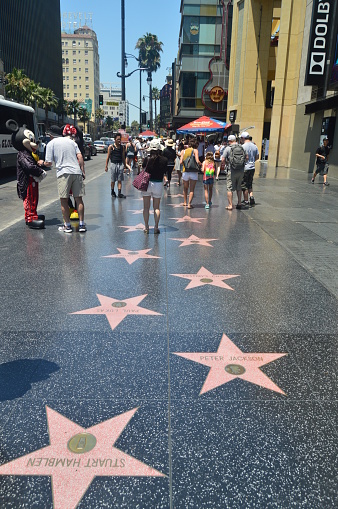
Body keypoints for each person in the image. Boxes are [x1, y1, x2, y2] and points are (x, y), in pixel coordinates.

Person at [45, 124, 86, 233]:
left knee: (64, 200)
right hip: (76, 172)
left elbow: (48, 163)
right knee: (79, 199)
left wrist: (41, 163)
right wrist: (82, 171)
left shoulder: (51, 144)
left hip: (63, 173)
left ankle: (67, 226)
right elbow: (80, 156)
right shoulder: (72, 142)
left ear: (50, 135)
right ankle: (81, 225)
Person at [141, 139, 168, 234]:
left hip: (147, 183)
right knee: (156, 207)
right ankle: (156, 227)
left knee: (146, 207)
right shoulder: (164, 160)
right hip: (158, 184)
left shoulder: (147, 159)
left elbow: (143, 167)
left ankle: (146, 227)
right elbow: (165, 171)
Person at [222, 134, 247, 210]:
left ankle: (230, 205)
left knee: (229, 187)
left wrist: (226, 164)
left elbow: (223, 159)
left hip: (232, 170)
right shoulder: (241, 147)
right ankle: (239, 203)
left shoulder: (228, 148)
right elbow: (247, 157)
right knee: (239, 187)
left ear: (229, 141)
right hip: (241, 170)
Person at [180, 139, 201, 209]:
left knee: (185, 188)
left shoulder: (183, 151)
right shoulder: (195, 150)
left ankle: (185, 202)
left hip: (185, 171)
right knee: (192, 189)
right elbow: (197, 161)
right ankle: (189, 204)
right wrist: (201, 164)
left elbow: (180, 162)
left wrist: (185, 164)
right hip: (193, 172)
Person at [105, 133, 127, 198]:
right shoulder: (111, 147)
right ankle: (112, 191)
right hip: (113, 164)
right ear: (114, 139)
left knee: (120, 179)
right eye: (118, 139)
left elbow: (123, 157)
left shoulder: (122, 147)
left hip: (120, 164)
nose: (119, 141)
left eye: (120, 139)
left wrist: (125, 166)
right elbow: (108, 157)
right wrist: (106, 166)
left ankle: (119, 193)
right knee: (113, 180)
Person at [240, 131, 259, 206]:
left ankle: (246, 200)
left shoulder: (243, 146)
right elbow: (257, 157)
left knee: (244, 184)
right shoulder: (255, 146)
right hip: (252, 167)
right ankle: (251, 196)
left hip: (245, 167)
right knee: (250, 183)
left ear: (243, 138)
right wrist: (252, 161)